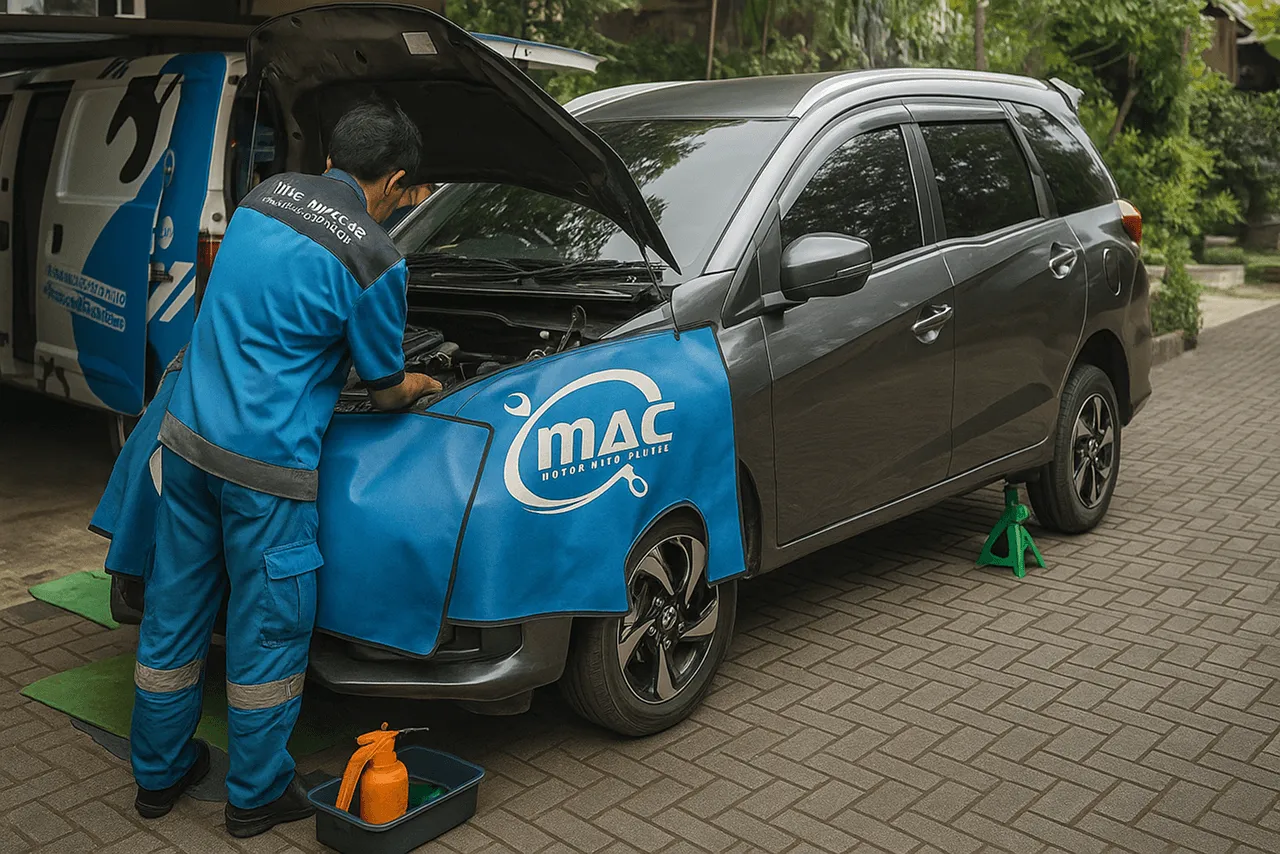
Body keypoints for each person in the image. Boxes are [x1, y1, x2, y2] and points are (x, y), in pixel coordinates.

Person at [127, 101, 439, 838]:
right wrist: (426, 383)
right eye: (407, 191)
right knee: (268, 632)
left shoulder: (262, 198)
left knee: (175, 614)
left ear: (332, 155)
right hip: (266, 476)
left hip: (189, 443)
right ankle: (256, 795)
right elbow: (387, 386)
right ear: (394, 181)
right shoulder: (375, 257)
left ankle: (158, 776)